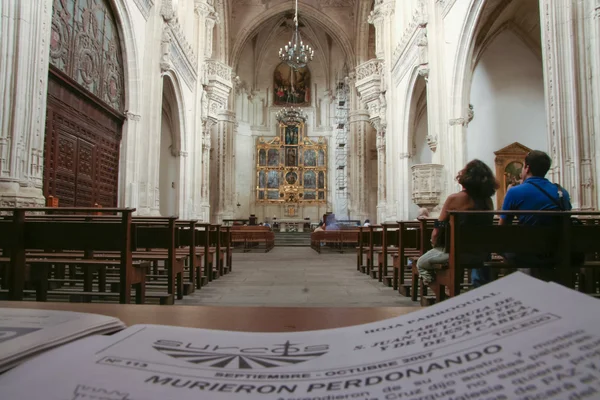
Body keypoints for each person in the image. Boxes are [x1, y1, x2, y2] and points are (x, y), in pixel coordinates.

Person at [417, 159, 499, 288]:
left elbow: (439, 226)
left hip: (457, 253)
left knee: (421, 263)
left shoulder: (454, 199)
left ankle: (439, 290)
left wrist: (435, 241)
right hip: (481, 254)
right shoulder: (488, 201)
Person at [499, 150, 571, 275]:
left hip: (527, 253)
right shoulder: (561, 192)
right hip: (557, 251)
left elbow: (502, 228)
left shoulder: (515, 192)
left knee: (506, 250)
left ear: (527, 168)